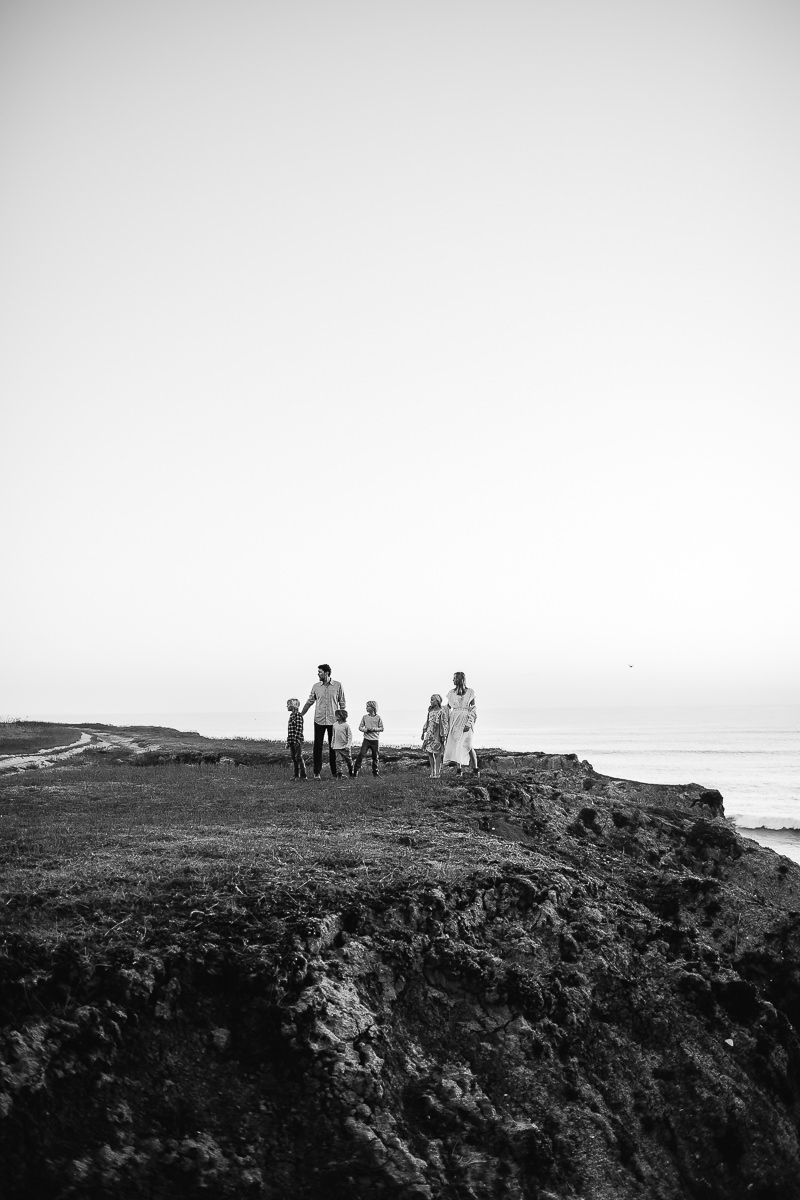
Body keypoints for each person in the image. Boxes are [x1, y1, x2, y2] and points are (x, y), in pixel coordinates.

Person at [300, 664, 346, 779]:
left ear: (326, 673)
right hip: (319, 719)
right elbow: (309, 701)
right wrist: (301, 715)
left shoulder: (338, 685)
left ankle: (335, 773)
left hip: (333, 721)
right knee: (317, 746)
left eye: (320, 672)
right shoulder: (316, 686)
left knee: (334, 746)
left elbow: (342, 703)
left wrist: (343, 720)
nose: (318, 674)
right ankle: (317, 773)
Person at [444, 671, 479, 776]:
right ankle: (459, 770)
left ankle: (476, 768)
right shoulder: (451, 693)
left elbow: (473, 709)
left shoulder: (470, 692)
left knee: (468, 744)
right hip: (454, 720)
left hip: (465, 720)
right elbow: (447, 707)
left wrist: (469, 723)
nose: (453, 680)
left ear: (459, 679)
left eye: (454, 678)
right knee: (457, 745)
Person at [421, 694, 449, 779]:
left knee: (437, 754)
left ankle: (437, 773)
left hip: (437, 735)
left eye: (432, 700)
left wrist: (444, 735)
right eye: (430, 700)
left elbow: (444, 724)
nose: (431, 702)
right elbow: (427, 722)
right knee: (430, 753)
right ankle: (432, 772)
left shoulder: (441, 711)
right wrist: (423, 731)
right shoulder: (430, 711)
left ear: (437, 701)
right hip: (429, 734)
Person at [353, 700, 384, 777]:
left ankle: (375, 773)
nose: (366, 708)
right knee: (361, 754)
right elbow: (360, 727)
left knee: (375, 757)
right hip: (366, 740)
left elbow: (382, 728)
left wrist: (374, 729)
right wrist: (366, 730)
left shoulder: (378, 718)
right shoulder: (364, 717)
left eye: (368, 706)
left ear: (373, 708)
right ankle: (355, 771)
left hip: (375, 740)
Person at [285, 698, 307, 780]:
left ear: (293, 705)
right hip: (291, 740)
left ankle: (303, 775)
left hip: (297, 740)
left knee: (298, 757)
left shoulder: (298, 715)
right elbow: (290, 730)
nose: (287, 706)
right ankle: (296, 775)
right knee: (293, 757)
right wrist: (288, 741)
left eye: (288, 704)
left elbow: (299, 728)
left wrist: (297, 739)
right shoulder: (291, 716)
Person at [331, 709, 355, 778]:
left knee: (349, 760)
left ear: (342, 716)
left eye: (338, 715)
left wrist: (348, 745)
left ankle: (351, 772)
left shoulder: (346, 725)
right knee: (338, 761)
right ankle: (340, 774)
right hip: (337, 747)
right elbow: (333, 735)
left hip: (345, 747)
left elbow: (350, 736)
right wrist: (332, 743)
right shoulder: (334, 725)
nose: (336, 716)